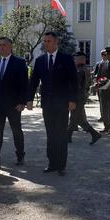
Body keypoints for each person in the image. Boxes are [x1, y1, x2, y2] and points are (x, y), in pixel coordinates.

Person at [27, 31, 78, 175]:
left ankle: (61, 165)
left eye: (49, 41)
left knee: (61, 134)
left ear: (56, 42)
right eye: (45, 41)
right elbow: (34, 81)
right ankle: (52, 163)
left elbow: (73, 81)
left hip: (62, 104)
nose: (46, 43)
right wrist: (29, 98)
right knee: (50, 134)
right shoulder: (40, 60)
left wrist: (73, 100)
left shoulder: (66, 59)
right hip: (47, 104)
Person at [0, 37, 28, 170]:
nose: (1, 47)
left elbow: (24, 84)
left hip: (14, 105)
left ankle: (20, 155)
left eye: (4, 45)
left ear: (10, 47)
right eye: (0, 45)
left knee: (16, 131)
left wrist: (22, 102)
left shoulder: (19, 63)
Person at [68, 51, 101, 145]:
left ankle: (94, 134)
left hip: (77, 97)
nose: (74, 60)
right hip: (80, 96)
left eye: (76, 58)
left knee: (75, 118)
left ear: (80, 59)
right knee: (78, 118)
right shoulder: (84, 68)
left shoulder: (80, 70)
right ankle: (69, 137)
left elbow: (76, 85)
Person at [92, 49, 108, 122]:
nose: (104, 56)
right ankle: (102, 116)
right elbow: (95, 74)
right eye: (103, 54)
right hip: (99, 85)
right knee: (101, 102)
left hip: (108, 85)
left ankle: (107, 116)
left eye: (105, 54)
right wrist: (96, 83)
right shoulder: (98, 64)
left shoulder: (109, 63)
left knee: (107, 102)